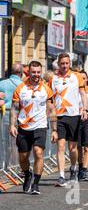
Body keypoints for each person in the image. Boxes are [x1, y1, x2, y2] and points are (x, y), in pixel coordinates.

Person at [9, 61, 56, 195]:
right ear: (28, 72)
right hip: (24, 127)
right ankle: (27, 174)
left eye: (38, 72)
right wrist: (12, 125)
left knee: (38, 152)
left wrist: (54, 129)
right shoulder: (20, 88)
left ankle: (36, 184)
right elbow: (14, 108)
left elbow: (52, 110)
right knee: (23, 157)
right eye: (33, 72)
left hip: (40, 126)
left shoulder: (46, 89)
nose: (36, 75)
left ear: (41, 72)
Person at [49, 53, 88, 186]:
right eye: (62, 64)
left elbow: (83, 94)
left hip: (74, 115)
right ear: (58, 64)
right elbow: (50, 100)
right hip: (59, 116)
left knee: (72, 148)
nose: (64, 66)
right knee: (60, 146)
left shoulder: (76, 76)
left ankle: (73, 168)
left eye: (66, 63)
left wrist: (84, 109)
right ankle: (61, 176)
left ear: (69, 64)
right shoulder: (53, 78)